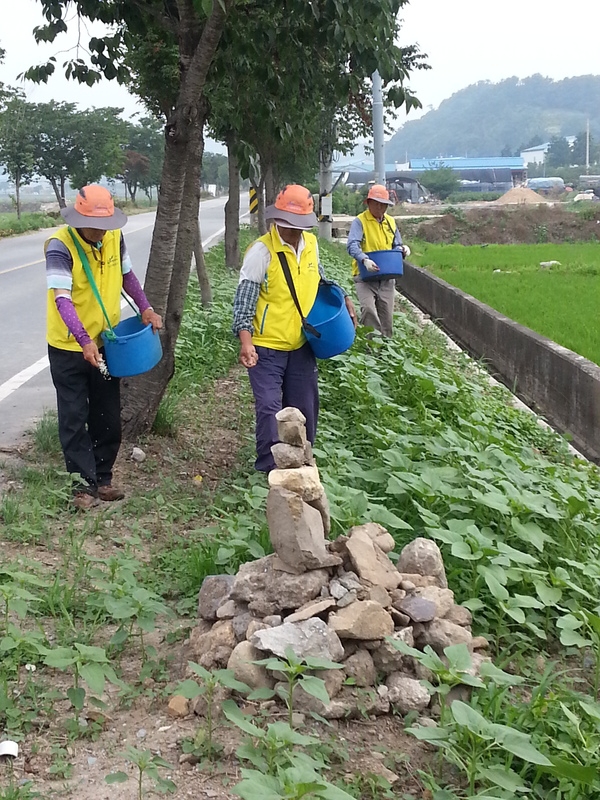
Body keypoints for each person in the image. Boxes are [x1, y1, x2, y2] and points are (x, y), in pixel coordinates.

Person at [45, 184, 162, 510]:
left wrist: (146, 308)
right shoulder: (60, 246)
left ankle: (103, 478)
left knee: (106, 414)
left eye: (106, 225)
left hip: (106, 342)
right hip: (69, 346)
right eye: (95, 225)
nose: (101, 232)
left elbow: (127, 276)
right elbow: (62, 298)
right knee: (73, 416)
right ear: (78, 218)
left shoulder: (113, 237)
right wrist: (83, 340)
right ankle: (82, 487)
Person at [232, 184, 357, 473]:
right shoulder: (261, 253)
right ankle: (269, 468)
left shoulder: (311, 245)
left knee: (304, 408)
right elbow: (243, 303)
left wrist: (344, 295)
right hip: (266, 346)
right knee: (269, 409)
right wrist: (246, 341)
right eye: (288, 224)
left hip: (301, 344)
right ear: (276, 219)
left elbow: (320, 278)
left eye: (299, 225)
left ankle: (301, 462)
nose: (294, 231)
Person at [346, 183, 411, 338]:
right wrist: (364, 260)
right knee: (368, 309)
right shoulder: (360, 221)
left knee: (386, 318)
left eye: (383, 205)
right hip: (365, 276)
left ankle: (386, 351)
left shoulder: (390, 222)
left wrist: (403, 249)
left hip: (386, 277)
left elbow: (396, 244)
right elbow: (352, 245)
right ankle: (372, 347)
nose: (380, 208)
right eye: (376, 204)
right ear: (368, 203)